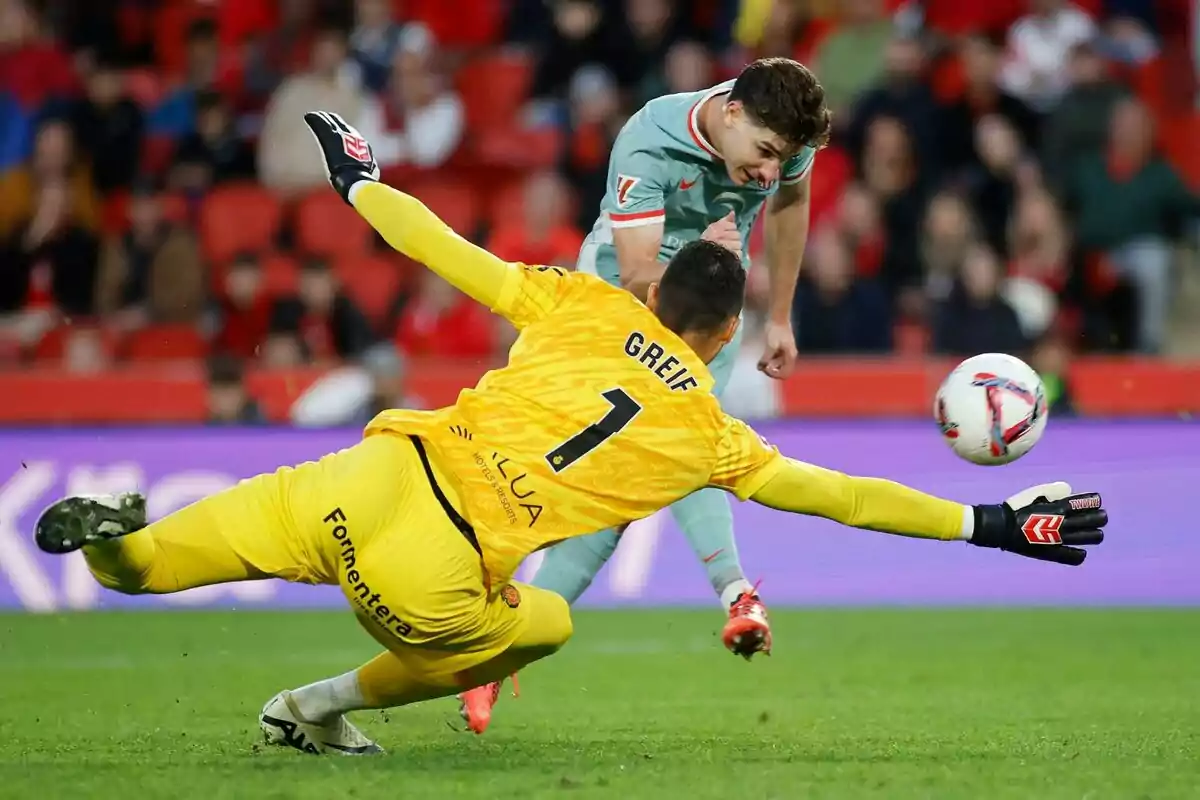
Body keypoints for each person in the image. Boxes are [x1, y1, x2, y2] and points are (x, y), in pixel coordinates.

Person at [33, 113, 1108, 757]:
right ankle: (312, 704)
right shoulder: (707, 431)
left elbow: (449, 250)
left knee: (147, 570)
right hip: (434, 574)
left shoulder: (582, 302)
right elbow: (841, 494)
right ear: (725, 328)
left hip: (373, 471)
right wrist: (992, 521)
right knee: (542, 624)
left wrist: (360, 181)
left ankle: (117, 536)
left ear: (655, 290)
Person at [461, 58, 830, 731]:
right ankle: (735, 593)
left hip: (709, 312)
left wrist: (778, 314)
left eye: (786, 158)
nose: (772, 172)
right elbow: (636, 274)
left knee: (671, 463)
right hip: (617, 301)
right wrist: (709, 254)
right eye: (767, 154)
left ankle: (499, 656)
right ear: (731, 114)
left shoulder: (778, 142)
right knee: (626, 476)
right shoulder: (651, 137)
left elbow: (792, 202)